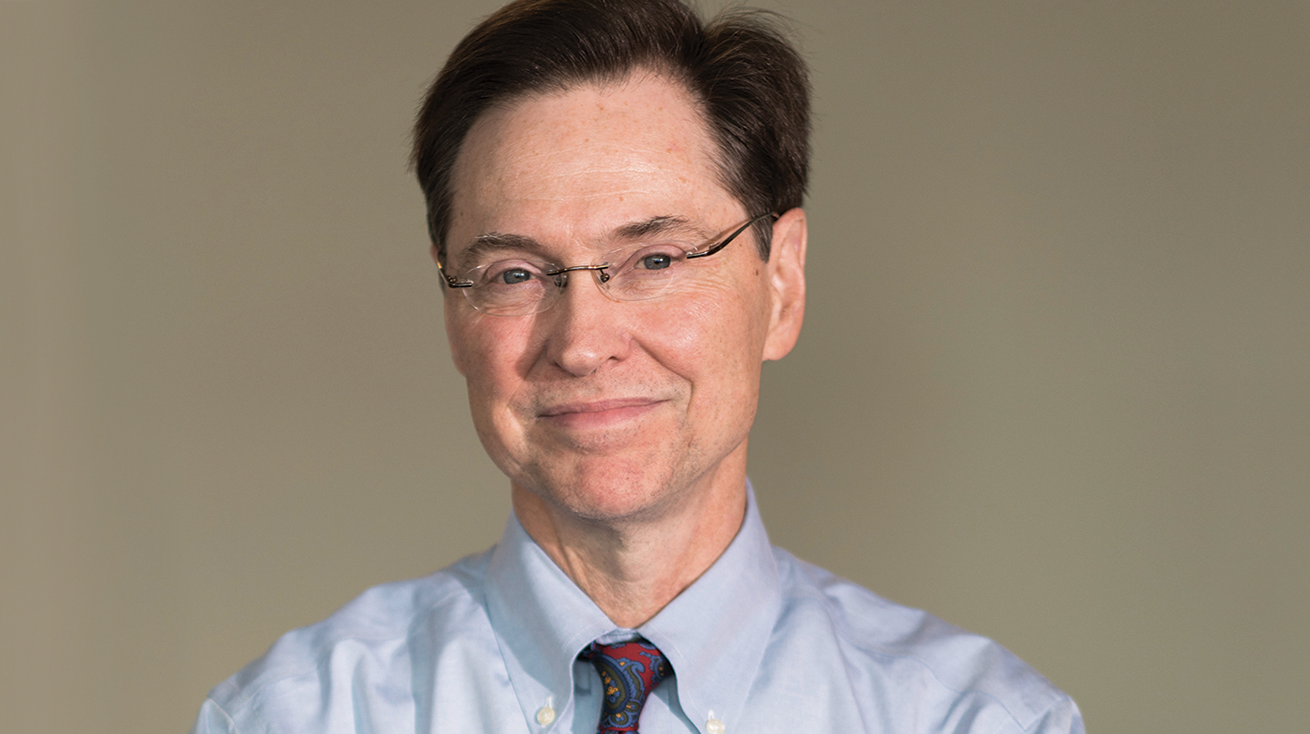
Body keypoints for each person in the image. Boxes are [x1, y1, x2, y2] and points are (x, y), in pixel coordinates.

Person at [192, 0, 1084, 732]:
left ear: (781, 282)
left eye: (655, 260)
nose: (583, 342)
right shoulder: (296, 715)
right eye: (515, 273)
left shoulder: (979, 722)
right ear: (453, 312)